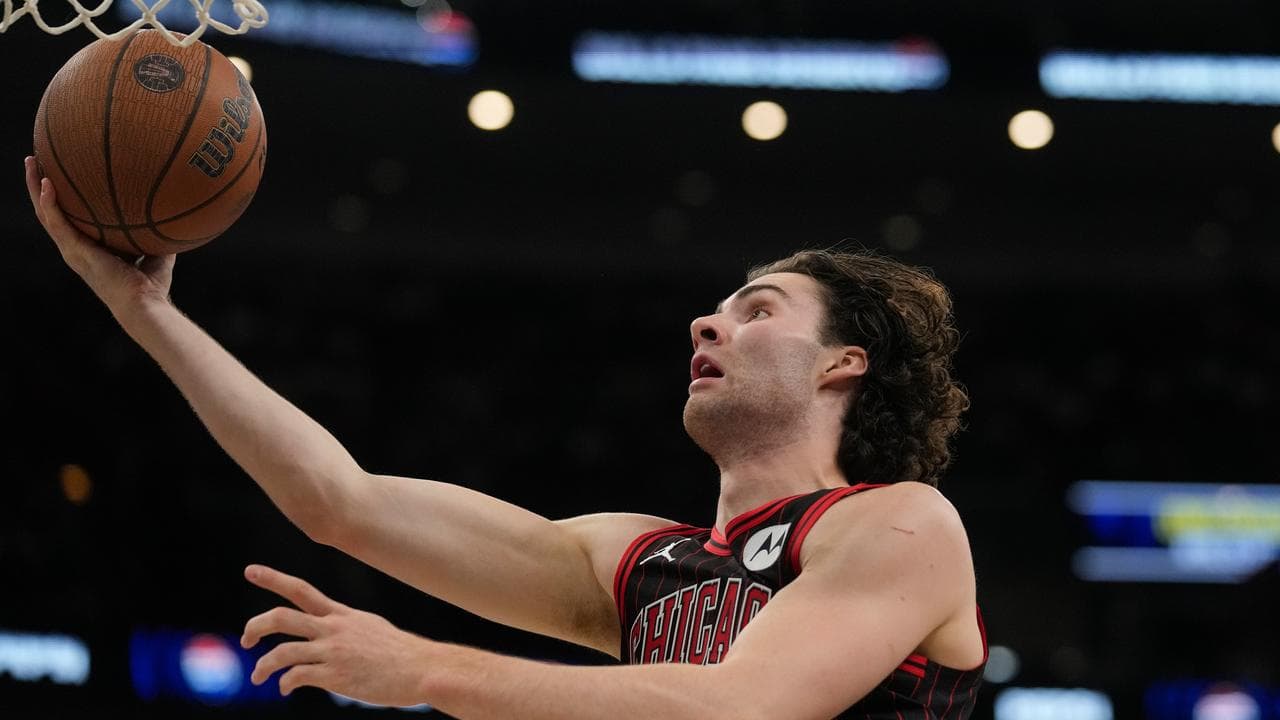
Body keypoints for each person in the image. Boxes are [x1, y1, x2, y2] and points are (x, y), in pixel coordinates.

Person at [26, 155, 987, 719]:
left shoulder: (904, 526)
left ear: (842, 364)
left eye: (757, 310)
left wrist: (427, 668)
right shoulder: (635, 561)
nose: (707, 324)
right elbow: (339, 502)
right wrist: (145, 311)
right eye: (715, 309)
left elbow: (741, 706)